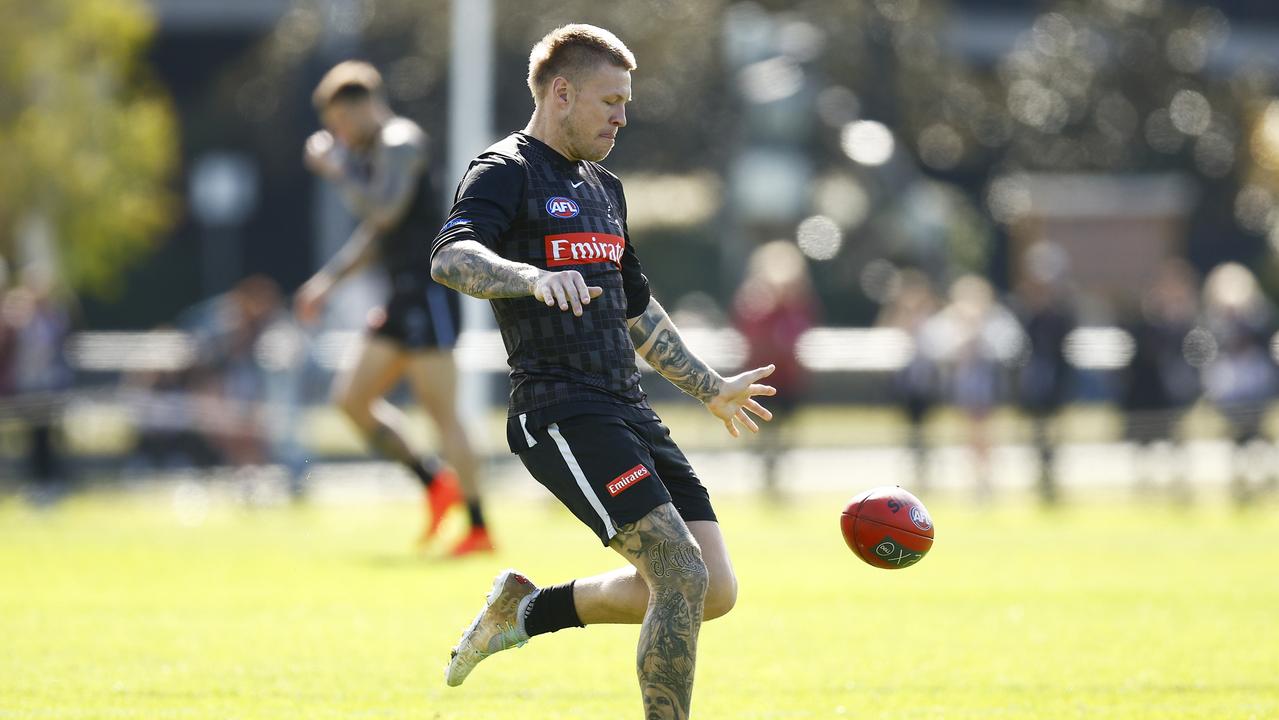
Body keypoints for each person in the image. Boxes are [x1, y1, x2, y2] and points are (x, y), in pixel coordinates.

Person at [429, 24, 776, 718]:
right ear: (561, 94)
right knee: (678, 572)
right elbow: (450, 256)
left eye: (626, 102)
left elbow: (636, 310)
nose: (623, 116)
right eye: (610, 100)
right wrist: (529, 276)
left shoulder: (604, 187)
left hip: (626, 409)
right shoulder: (505, 169)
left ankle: (527, 611)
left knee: (712, 590)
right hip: (558, 412)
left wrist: (710, 387)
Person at [294, 61, 488, 553]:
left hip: (430, 292)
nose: (338, 133)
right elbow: (378, 236)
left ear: (362, 107)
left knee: (442, 414)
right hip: (402, 296)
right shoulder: (376, 153)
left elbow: (383, 211)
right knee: (351, 400)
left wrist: (337, 168)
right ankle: (433, 482)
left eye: (340, 122)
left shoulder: (400, 142)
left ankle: (479, 528)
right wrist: (326, 283)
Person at [731, 240, 819, 495]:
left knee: (784, 431)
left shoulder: (798, 306)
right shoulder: (757, 303)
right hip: (762, 378)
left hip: (788, 379)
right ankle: (766, 474)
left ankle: (777, 474)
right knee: (763, 429)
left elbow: (800, 335)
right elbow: (751, 336)